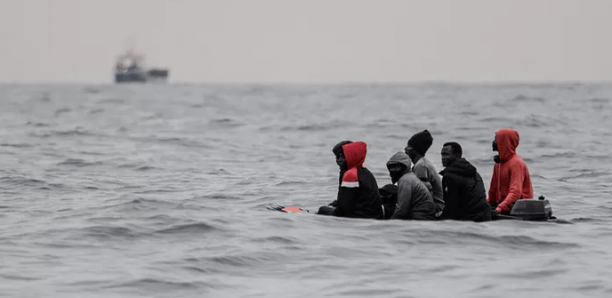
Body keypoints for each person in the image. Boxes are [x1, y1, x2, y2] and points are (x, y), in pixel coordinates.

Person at [317, 141, 382, 219]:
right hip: (373, 215)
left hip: (361, 217)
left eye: (343, 157)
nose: (339, 160)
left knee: (322, 209)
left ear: (352, 156)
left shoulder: (351, 175)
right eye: (338, 157)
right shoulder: (366, 172)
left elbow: (343, 209)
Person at [439, 142, 491, 222]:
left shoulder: (450, 176)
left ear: (456, 156)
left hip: (469, 220)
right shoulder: (473, 172)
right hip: (484, 216)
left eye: (446, 154)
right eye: (442, 155)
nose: (442, 158)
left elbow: (451, 207)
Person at [487, 128, 533, 218]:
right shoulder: (498, 164)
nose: (493, 142)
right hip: (503, 206)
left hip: (518, 208)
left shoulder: (516, 163)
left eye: (496, 139)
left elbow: (515, 192)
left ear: (504, 141)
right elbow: (492, 192)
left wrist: (499, 209)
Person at [404, 130, 445, 217]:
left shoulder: (421, 166)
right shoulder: (421, 163)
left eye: (409, 146)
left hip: (436, 208)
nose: (405, 148)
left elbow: (421, 194)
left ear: (416, 150)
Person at [385, 152, 436, 220]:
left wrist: (389, 223)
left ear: (404, 167)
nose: (393, 170)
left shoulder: (405, 180)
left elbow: (402, 210)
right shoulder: (410, 176)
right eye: (391, 167)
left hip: (420, 217)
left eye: (397, 167)